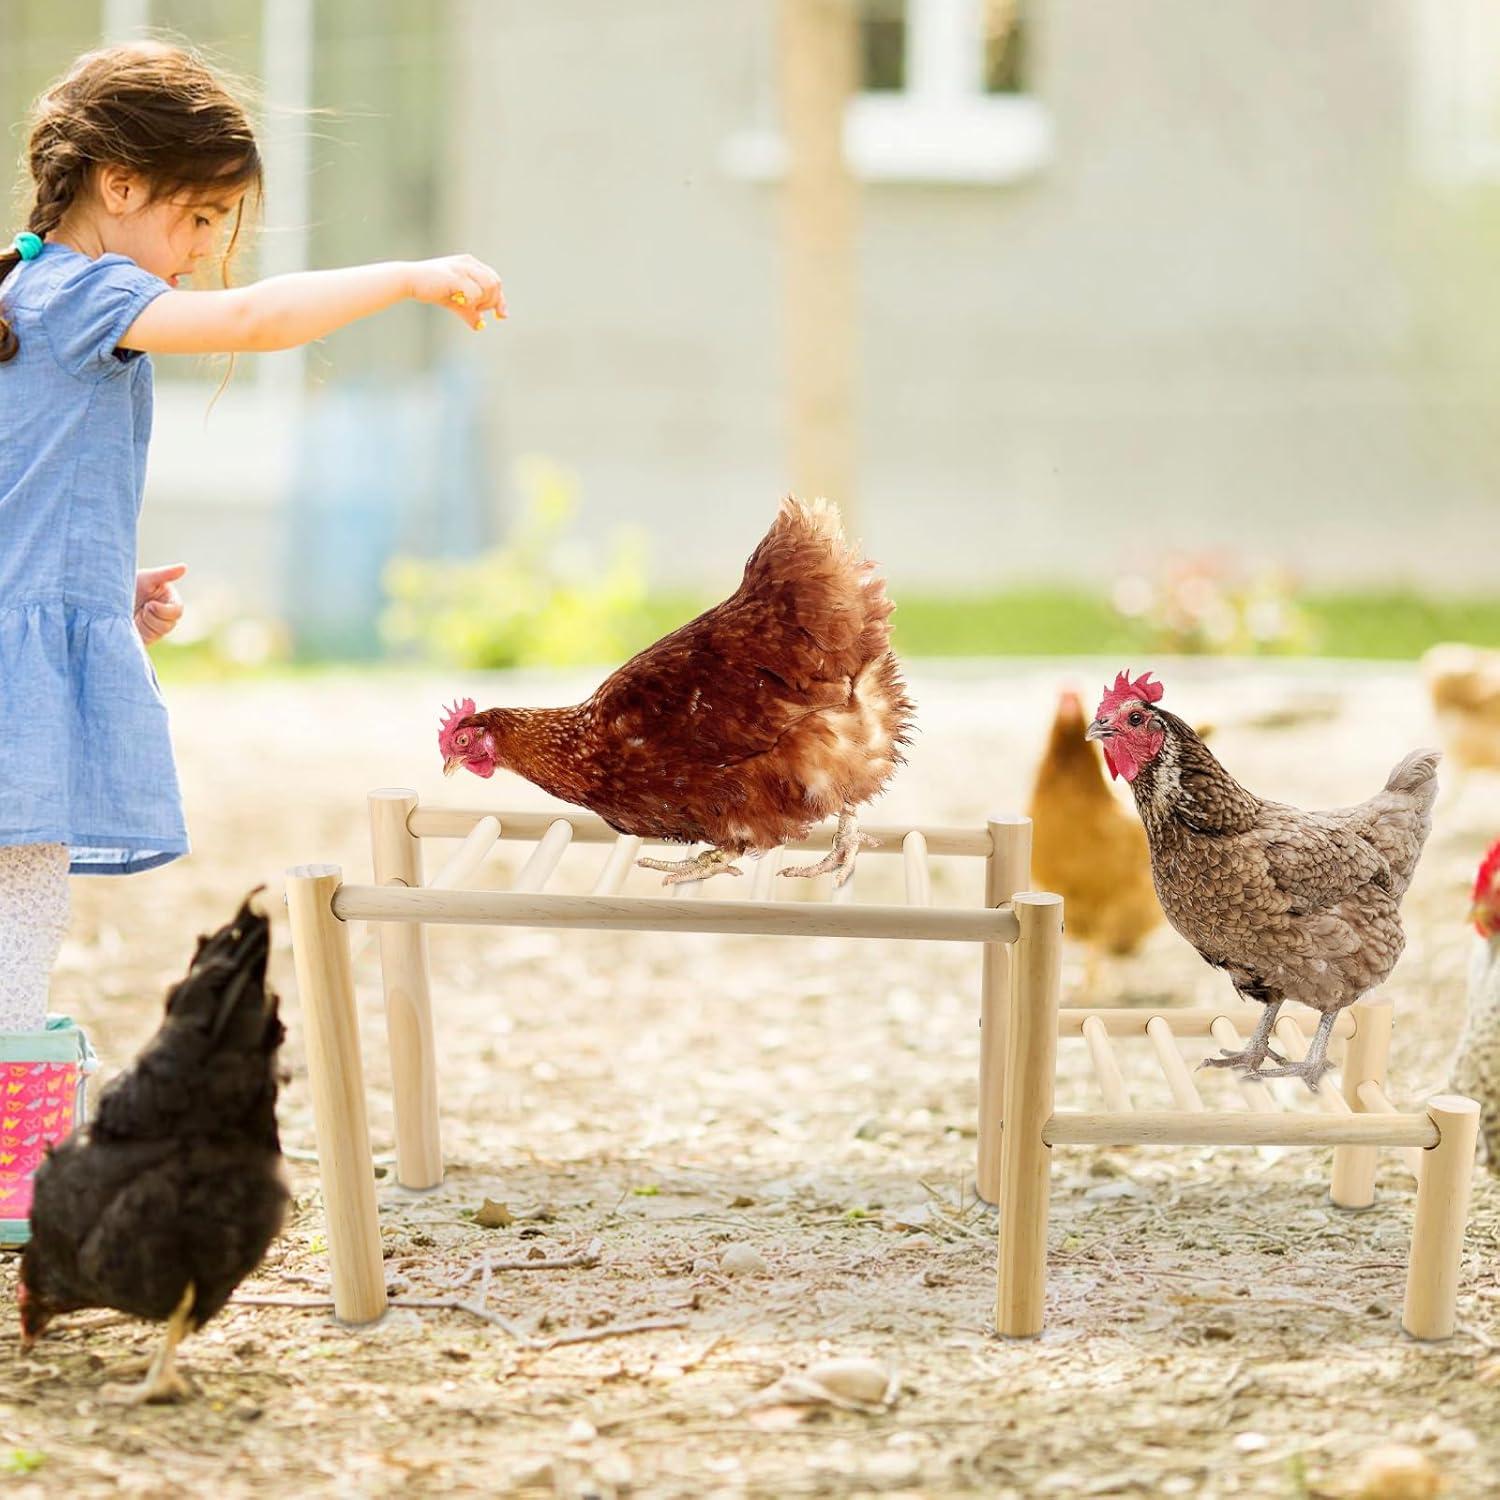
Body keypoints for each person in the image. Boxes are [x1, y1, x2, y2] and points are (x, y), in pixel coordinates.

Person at [0, 41, 503, 1215]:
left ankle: (16, 1139)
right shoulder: (84, 292)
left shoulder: (27, 299)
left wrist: (94, 595)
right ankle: (11, 1156)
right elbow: (263, 319)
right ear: (118, 184)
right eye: (200, 217)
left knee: (22, 892)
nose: (200, 256)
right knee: (23, 899)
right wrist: (411, 275)